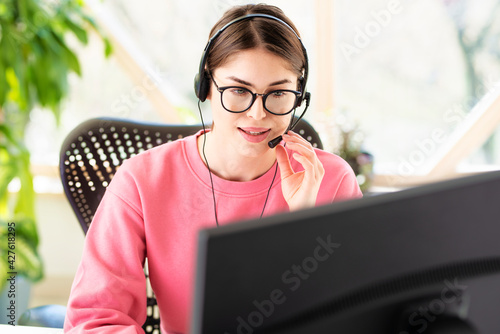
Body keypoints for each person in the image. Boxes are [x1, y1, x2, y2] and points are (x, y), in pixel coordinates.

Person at [64, 4, 362, 334]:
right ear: (206, 86)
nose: (258, 114)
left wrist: (303, 224)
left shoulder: (332, 182)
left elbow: (357, 315)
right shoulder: (141, 181)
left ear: (299, 95)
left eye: (278, 93)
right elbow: (93, 320)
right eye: (238, 90)